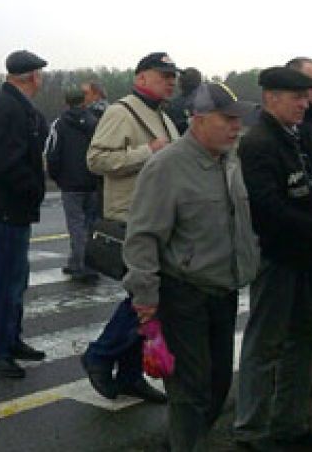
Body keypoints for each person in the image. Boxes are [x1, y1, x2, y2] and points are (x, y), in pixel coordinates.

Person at [123, 82, 258, 452]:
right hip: (184, 294)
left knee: (217, 385)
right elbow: (143, 237)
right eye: (227, 119)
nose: (236, 127)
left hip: (223, 289)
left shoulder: (229, 159)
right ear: (198, 120)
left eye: (239, 120)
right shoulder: (167, 166)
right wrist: (146, 298)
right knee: (189, 390)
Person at [232, 66, 312, 450]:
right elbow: (266, 206)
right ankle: (250, 429)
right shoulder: (259, 142)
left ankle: (290, 421)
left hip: (300, 255)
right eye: (296, 97)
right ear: (271, 98)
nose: (305, 104)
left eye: (306, 96)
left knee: (302, 338)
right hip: (276, 256)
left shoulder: (293, 135)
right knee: (264, 343)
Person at [81, 52, 180, 401]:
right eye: (163, 74)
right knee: (145, 295)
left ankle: (129, 373)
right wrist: (146, 152)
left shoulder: (163, 116)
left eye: (173, 76)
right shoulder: (121, 111)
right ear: (141, 78)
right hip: (130, 217)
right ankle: (101, 354)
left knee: (147, 295)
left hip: (157, 217)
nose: (170, 81)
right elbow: (95, 159)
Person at [0, 50, 50, 378]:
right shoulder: (9, 109)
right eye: (40, 74)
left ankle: (11, 339)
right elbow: (7, 162)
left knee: (16, 281)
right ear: (32, 77)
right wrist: (34, 188)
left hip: (10, 209)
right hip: (7, 208)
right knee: (7, 282)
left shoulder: (11, 105)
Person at [44, 89, 100, 282]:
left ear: (66, 103)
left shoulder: (59, 124)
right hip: (92, 180)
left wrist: (56, 177)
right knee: (90, 224)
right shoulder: (95, 122)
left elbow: (52, 153)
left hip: (70, 182)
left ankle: (79, 263)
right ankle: (88, 262)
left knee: (75, 225)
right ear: (84, 101)